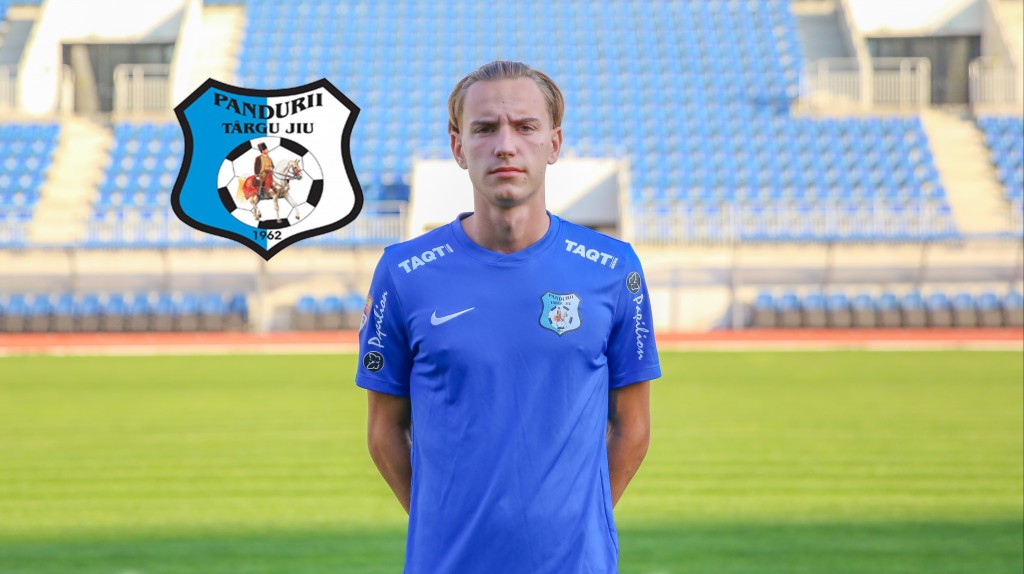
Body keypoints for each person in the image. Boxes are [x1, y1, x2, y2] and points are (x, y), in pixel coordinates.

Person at [356, 60, 661, 574]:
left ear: (553, 143)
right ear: (458, 147)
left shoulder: (614, 269)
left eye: (525, 126)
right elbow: (384, 431)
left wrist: (577, 524)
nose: (505, 145)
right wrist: (443, 521)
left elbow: (632, 425)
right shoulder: (403, 272)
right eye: (484, 128)